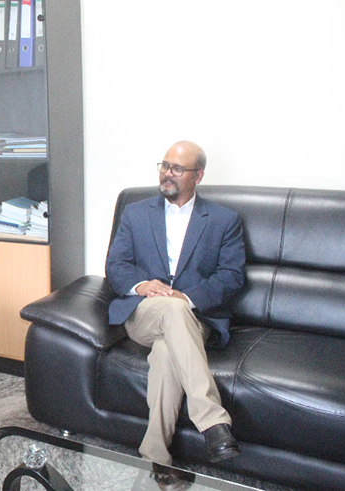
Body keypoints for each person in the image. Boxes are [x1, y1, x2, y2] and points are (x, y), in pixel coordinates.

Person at [105, 141, 245, 469]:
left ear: (198, 176)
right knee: (171, 310)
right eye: (164, 166)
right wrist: (142, 285)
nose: (167, 174)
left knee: (169, 350)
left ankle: (155, 459)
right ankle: (212, 422)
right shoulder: (136, 212)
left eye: (177, 169)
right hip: (144, 312)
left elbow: (231, 276)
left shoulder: (224, 220)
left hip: (193, 316)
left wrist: (187, 297)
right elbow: (116, 265)